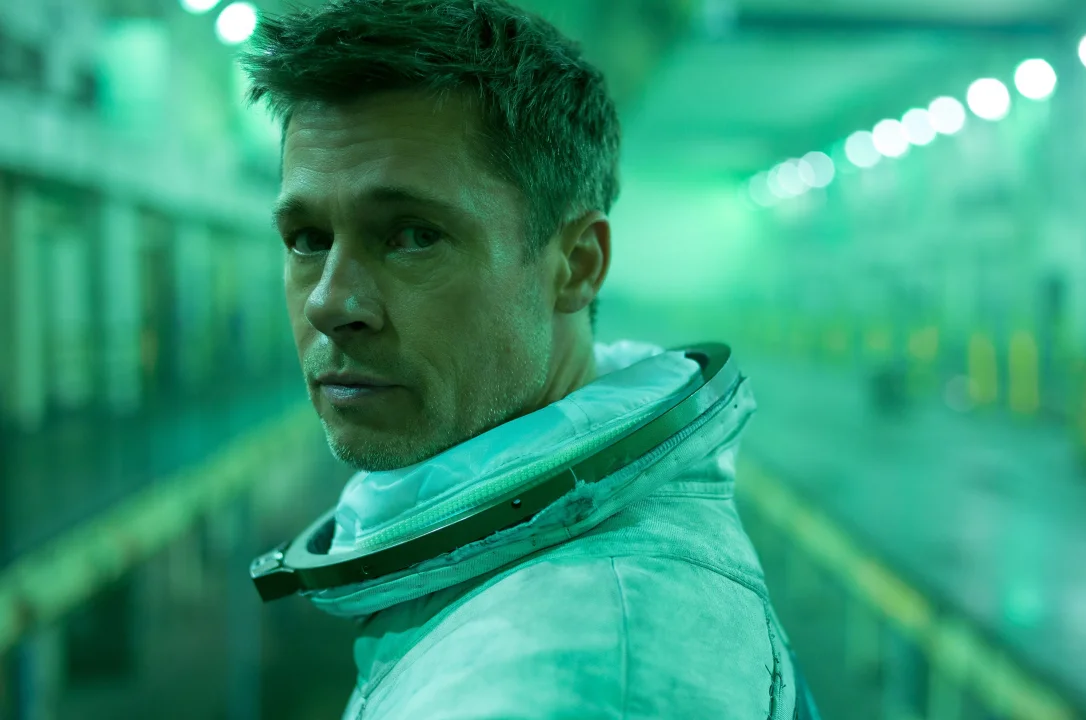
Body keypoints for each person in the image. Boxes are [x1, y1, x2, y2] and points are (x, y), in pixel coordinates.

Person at [241, 1, 806, 717]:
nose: (329, 302)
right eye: (307, 239)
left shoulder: (573, 679)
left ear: (576, 265)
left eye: (413, 235)